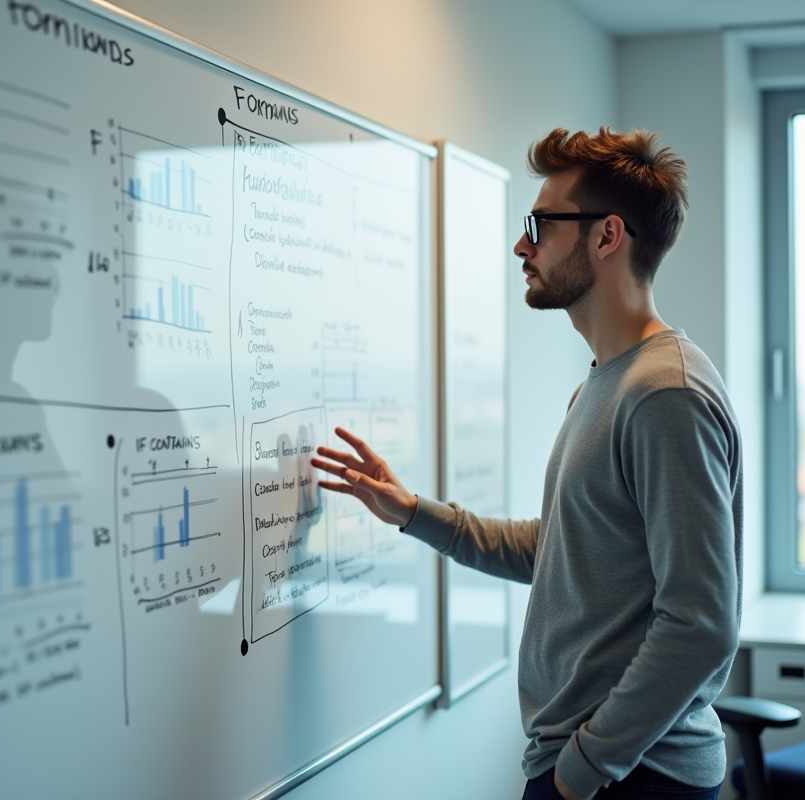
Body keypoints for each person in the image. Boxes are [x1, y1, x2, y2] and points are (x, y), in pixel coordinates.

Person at [311, 127, 742, 800]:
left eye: (540, 224)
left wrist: (583, 769)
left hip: (632, 777)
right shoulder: (606, 381)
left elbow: (702, 623)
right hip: (599, 768)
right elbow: (563, 550)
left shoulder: (664, 394)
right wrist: (413, 512)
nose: (522, 245)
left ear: (607, 236)